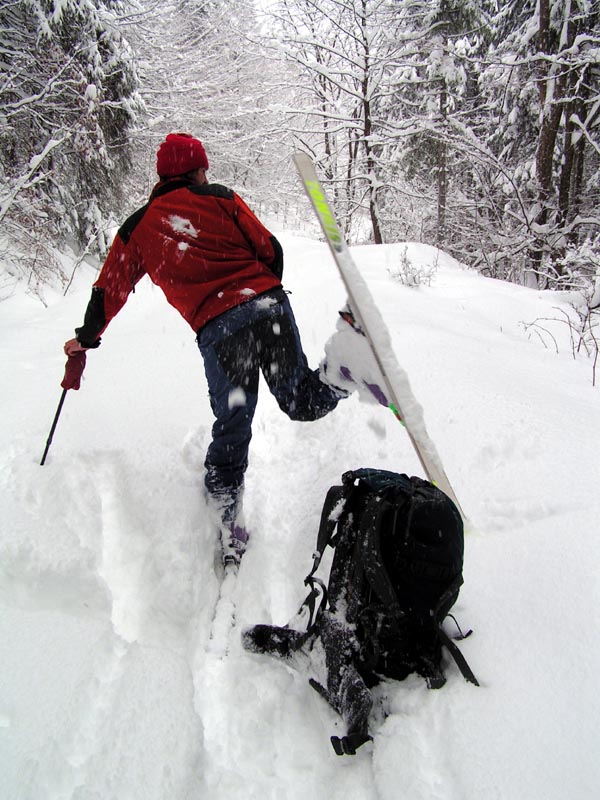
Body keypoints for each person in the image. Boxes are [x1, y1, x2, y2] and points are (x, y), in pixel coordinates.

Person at [64, 133, 352, 566]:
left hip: (222, 332)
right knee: (298, 398)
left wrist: (86, 337)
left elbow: (109, 289)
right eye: (203, 168)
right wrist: (259, 291)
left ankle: (227, 525)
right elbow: (270, 250)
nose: (206, 174)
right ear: (195, 170)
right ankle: (348, 367)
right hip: (266, 306)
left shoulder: (138, 227)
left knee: (234, 424)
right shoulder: (221, 198)